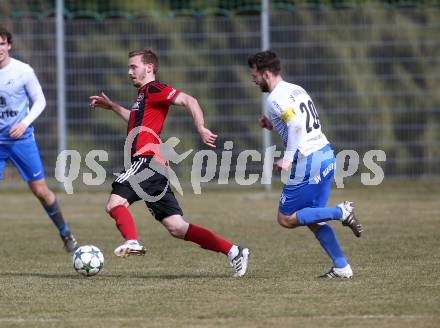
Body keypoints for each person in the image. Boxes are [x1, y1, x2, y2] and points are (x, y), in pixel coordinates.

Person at [89, 48, 250, 277]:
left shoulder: (154, 89)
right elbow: (135, 121)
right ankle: (234, 251)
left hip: (145, 161)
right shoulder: (143, 96)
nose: (129, 72)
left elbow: (189, 100)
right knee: (177, 227)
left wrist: (201, 127)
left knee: (115, 204)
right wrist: (114, 107)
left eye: (133, 67)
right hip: (156, 166)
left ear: (149, 68)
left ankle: (132, 241)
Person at [248, 50, 363, 278]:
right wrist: (271, 125)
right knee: (313, 218)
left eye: (254, 74)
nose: (253, 79)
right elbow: (299, 123)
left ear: (266, 73)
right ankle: (342, 267)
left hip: (308, 161)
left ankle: (340, 212)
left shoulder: (274, 98)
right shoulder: (296, 89)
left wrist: (288, 160)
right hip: (325, 155)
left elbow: (297, 127)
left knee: (285, 219)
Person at [0, 26, 77, 252]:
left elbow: (40, 101)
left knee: (41, 192)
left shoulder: (23, 71)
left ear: (9, 45)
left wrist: (24, 123)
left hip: (21, 140)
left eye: (2, 43)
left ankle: (65, 233)